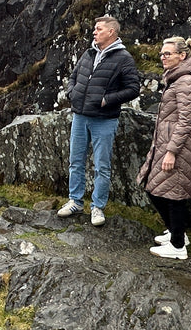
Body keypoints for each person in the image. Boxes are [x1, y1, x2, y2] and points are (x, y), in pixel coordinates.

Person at [57, 15, 143, 227]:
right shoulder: (89, 53)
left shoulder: (123, 58)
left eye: (99, 29)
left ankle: (97, 207)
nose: (94, 32)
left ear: (111, 32)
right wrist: (72, 93)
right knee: (75, 161)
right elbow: (73, 77)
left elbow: (133, 88)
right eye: (95, 29)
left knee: (102, 165)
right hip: (80, 116)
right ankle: (75, 201)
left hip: (104, 119)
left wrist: (107, 100)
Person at [137, 36, 191, 259]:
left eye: (167, 54)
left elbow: (186, 121)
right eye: (161, 54)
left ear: (182, 55)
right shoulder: (177, 78)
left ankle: (177, 247)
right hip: (167, 144)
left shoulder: (186, 81)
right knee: (157, 188)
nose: (163, 58)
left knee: (174, 193)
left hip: (180, 147)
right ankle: (178, 233)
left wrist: (172, 151)